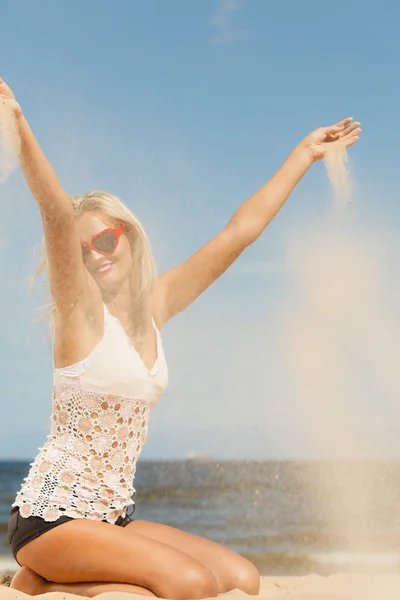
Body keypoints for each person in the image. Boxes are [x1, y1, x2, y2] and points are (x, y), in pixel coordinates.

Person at [1, 77, 361, 599]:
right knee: (191, 583)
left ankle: (48, 582)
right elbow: (56, 216)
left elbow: (238, 232)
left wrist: (305, 154)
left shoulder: (157, 306)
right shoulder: (78, 313)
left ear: (129, 235)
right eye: (84, 250)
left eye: (105, 238)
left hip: (110, 522)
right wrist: (18, 121)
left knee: (242, 578)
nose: (96, 254)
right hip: (49, 521)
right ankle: (44, 572)